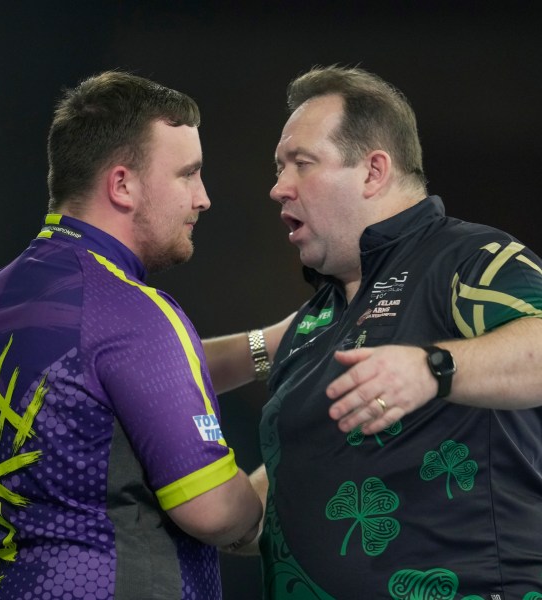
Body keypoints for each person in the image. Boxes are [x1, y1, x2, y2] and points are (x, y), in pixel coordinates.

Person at [211, 66, 542, 598]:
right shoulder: (320, 318)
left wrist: (434, 368)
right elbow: (270, 507)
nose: (277, 188)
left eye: (301, 164)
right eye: (278, 168)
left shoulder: (468, 259)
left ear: (373, 172)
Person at [0, 71, 264, 600]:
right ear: (121, 185)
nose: (203, 198)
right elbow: (214, 513)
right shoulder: (131, 309)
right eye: (188, 174)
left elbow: (117, 384)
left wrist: (270, 345)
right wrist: (292, 459)